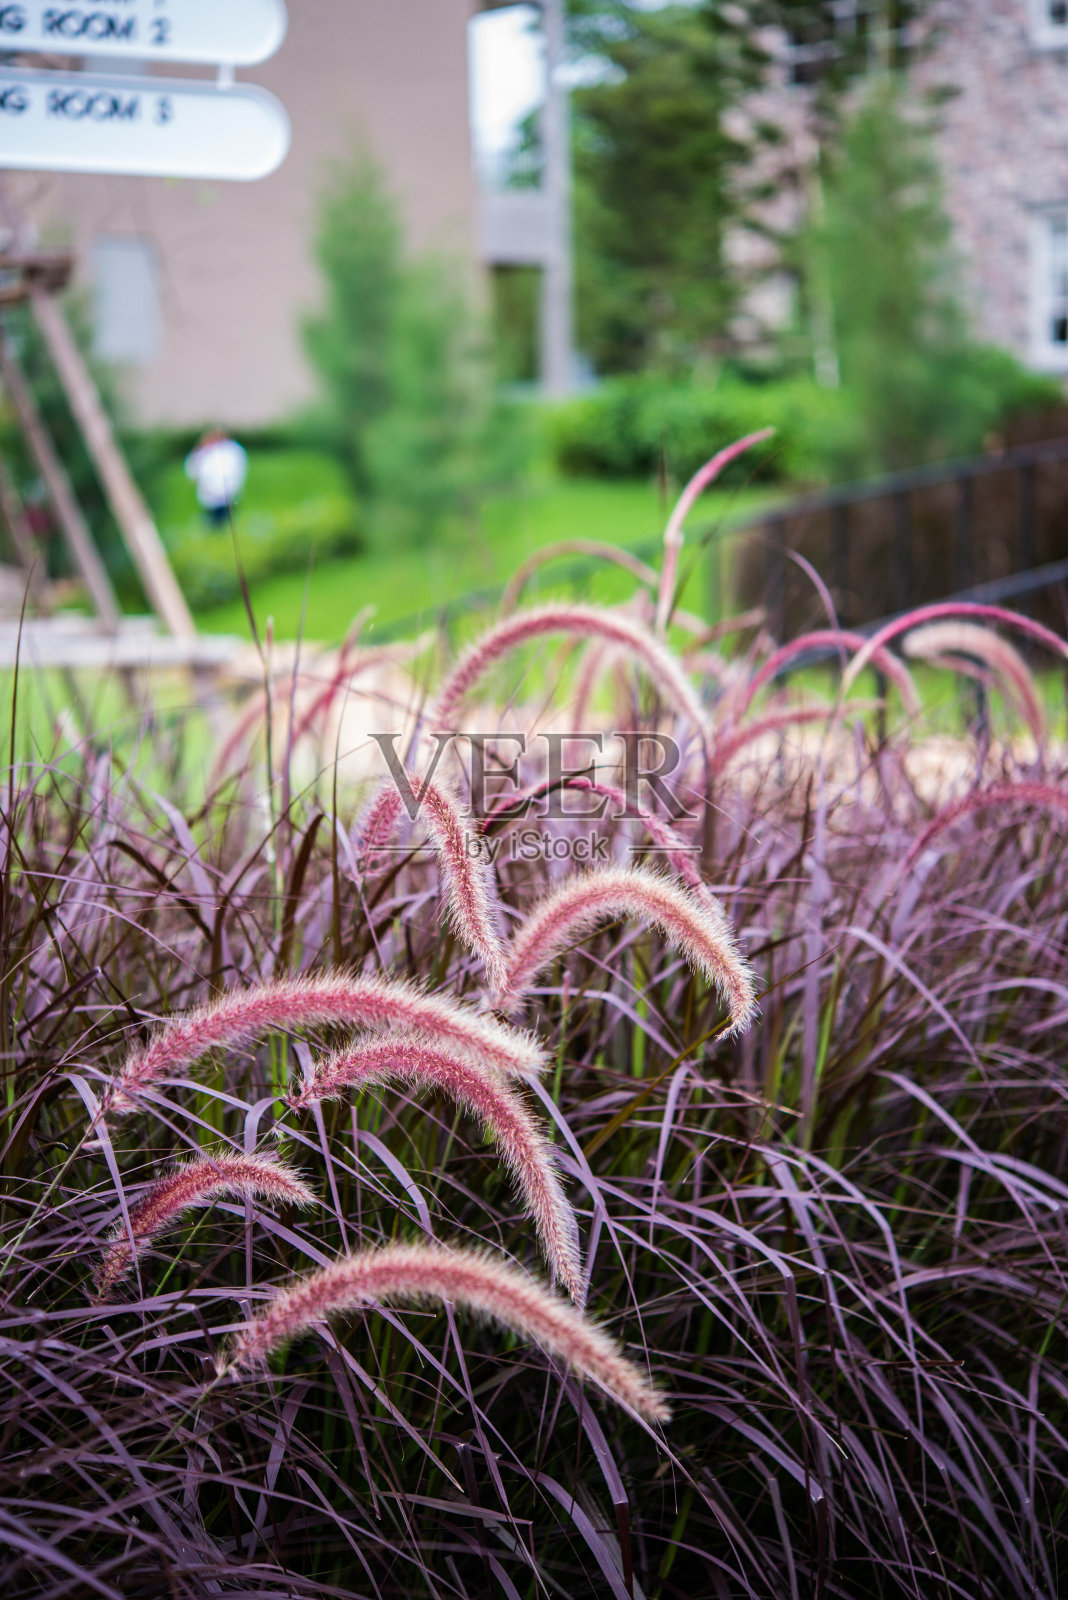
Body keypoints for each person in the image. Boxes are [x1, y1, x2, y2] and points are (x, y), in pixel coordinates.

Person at [184, 428, 248, 527]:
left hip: (226, 490)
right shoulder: (205, 451)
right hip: (210, 492)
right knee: (214, 518)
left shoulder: (230, 450)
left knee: (225, 518)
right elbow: (194, 468)